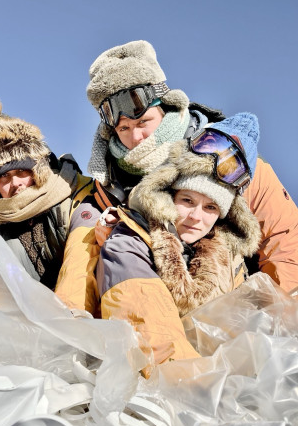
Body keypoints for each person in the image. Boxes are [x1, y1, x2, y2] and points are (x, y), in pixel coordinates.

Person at [86, 40, 298, 293]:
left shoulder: (233, 165)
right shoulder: (109, 185)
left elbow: (284, 246)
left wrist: (278, 318)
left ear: (167, 110)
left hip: (236, 310)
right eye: (123, 128)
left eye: (143, 122)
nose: (136, 138)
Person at [96, 113, 262, 375]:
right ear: (167, 195)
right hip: (165, 384)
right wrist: (205, 386)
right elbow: (151, 334)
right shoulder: (130, 242)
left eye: (210, 207)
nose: (196, 217)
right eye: (187, 200)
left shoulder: (231, 261)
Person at [0, 89, 101, 300]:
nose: (15, 183)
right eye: (4, 177)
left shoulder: (74, 193)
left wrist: (70, 322)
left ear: (38, 169)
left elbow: (82, 258)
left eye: (21, 171)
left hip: (88, 308)